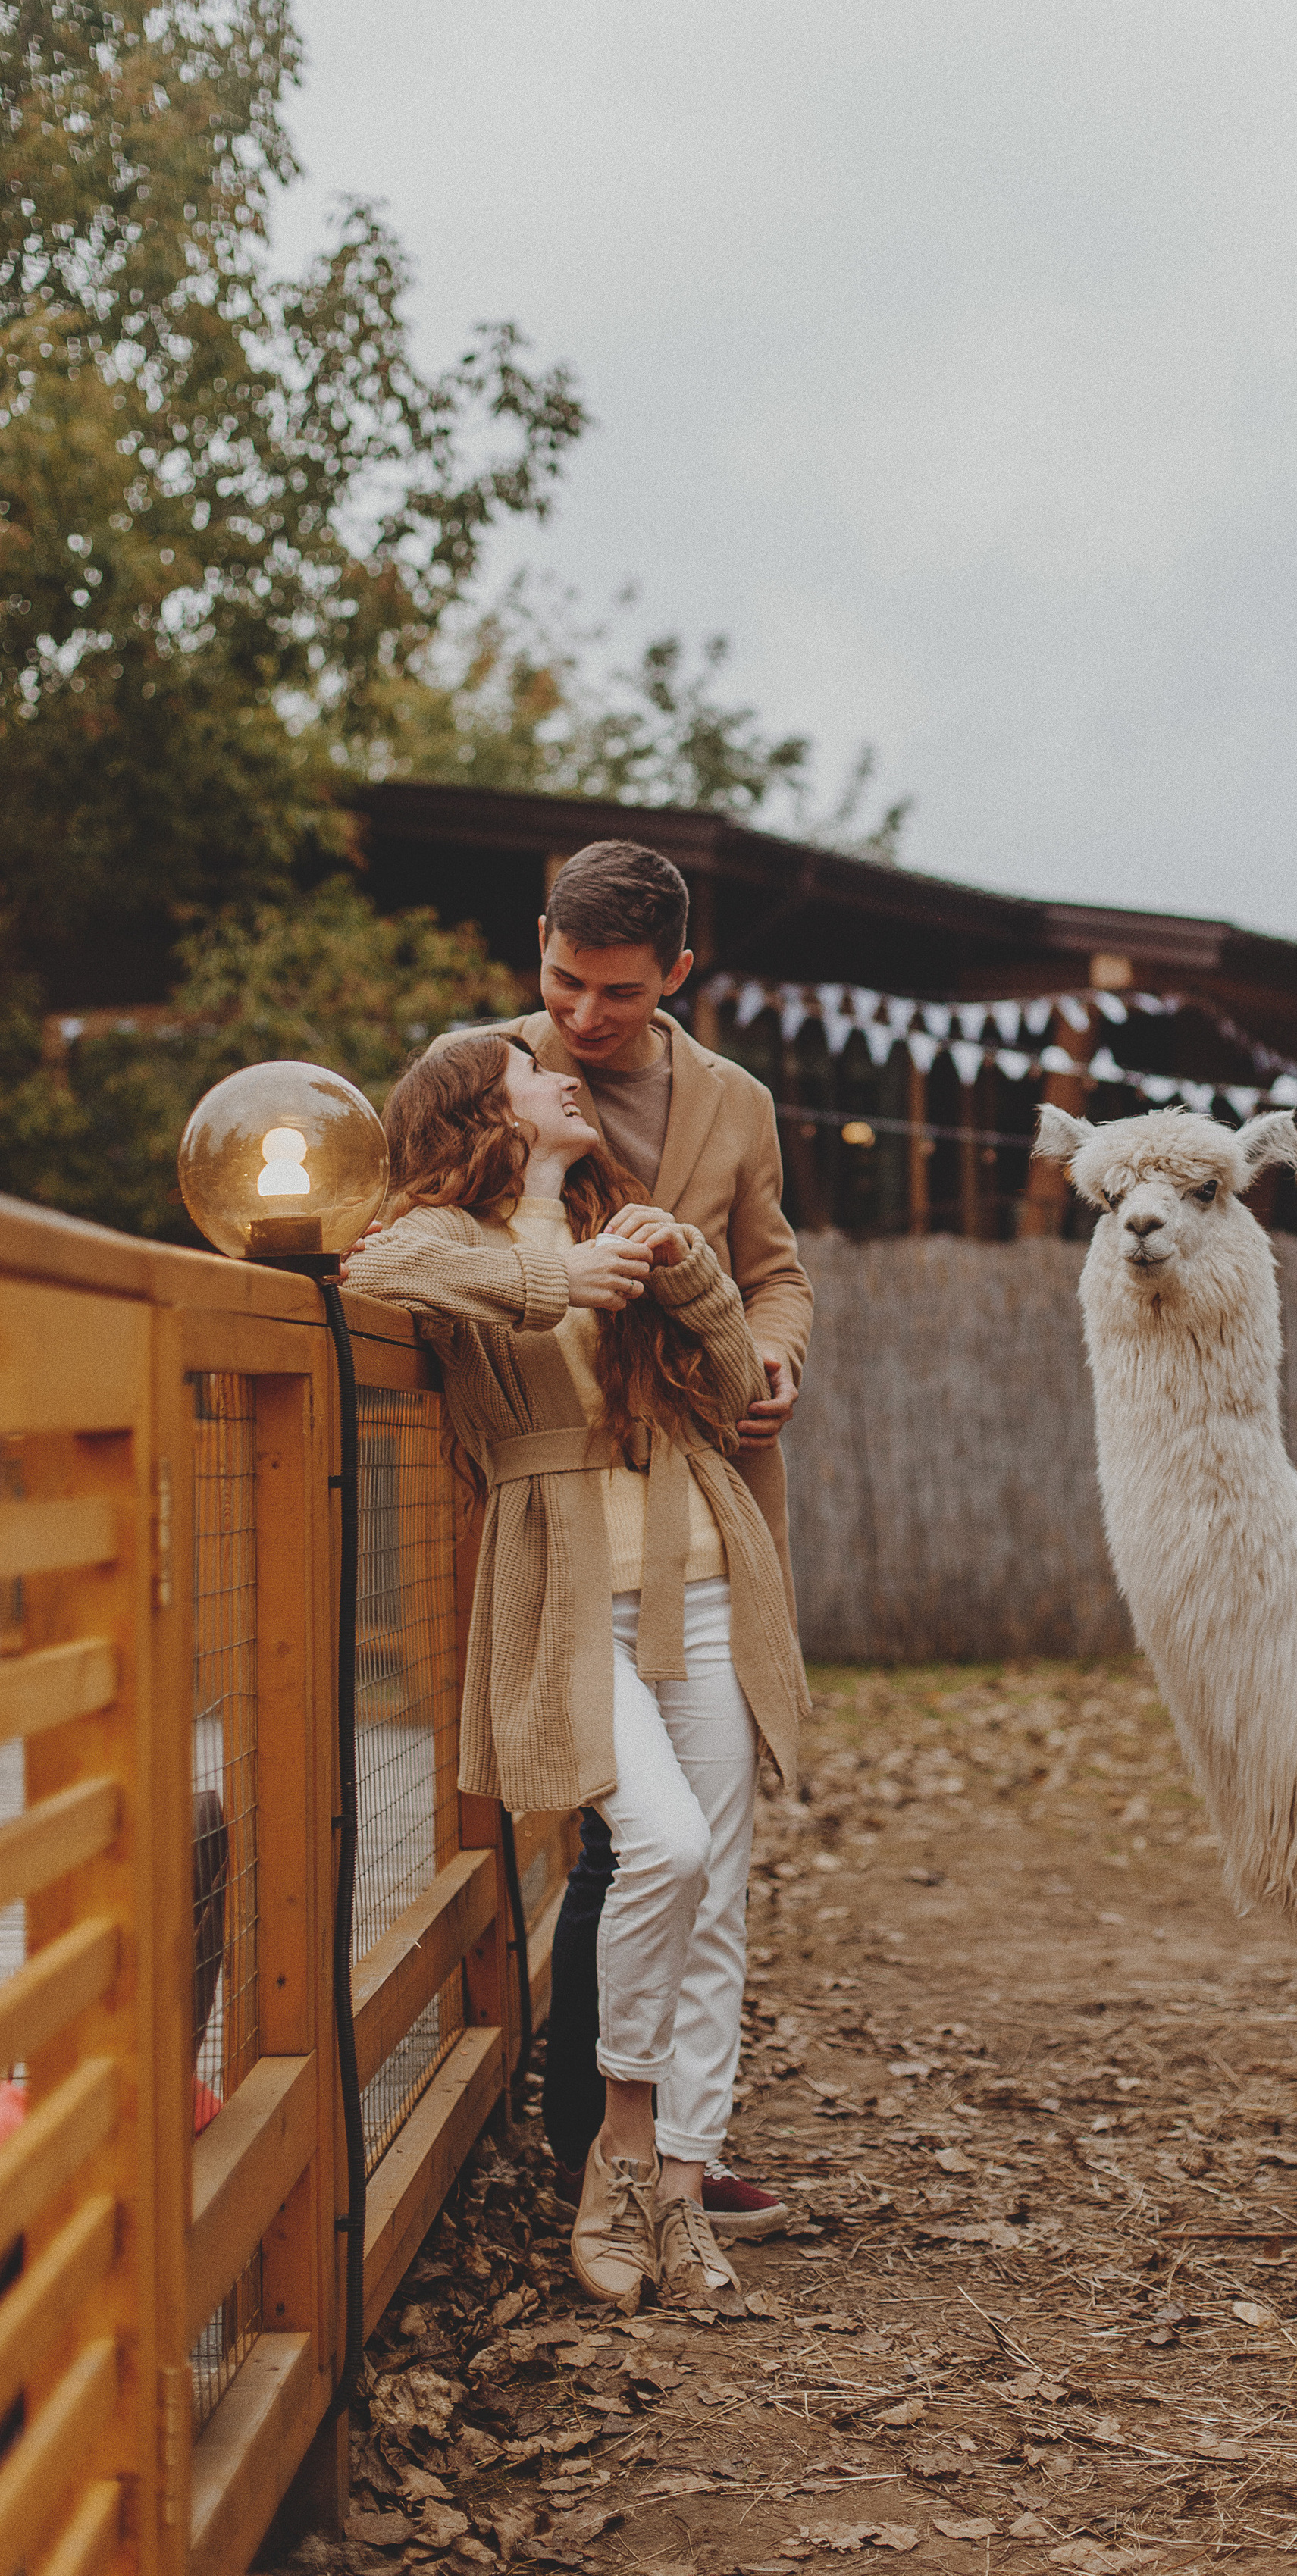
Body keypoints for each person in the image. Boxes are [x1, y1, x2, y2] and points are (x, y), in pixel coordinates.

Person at [352, 1031, 811, 2312]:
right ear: (484, 1114)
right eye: (531, 1075)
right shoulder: (434, 1239)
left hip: (707, 1568)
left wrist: (695, 1273)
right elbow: (396, 1271)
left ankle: (681, 2187)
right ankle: (617, 2147)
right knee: (659, 1844)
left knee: (718, 1886)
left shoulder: (623, 1221)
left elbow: (726, 1383)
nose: (563, 1076)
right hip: (566, 1596)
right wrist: (565, 1244)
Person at [478, 841, 813, 2239]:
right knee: (634, 1840)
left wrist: (779, 1352)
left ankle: (677, 2155)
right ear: (540, 939)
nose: (585, 1016)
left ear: (677, 974)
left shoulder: (733, 1099)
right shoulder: (483, 1067)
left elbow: (775, 1267)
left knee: (699, 1847)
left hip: (701, 1497)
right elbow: (401, 1237)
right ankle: (592, 2143)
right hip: (553, 1510)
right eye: (564, 979)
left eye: (618, 992)